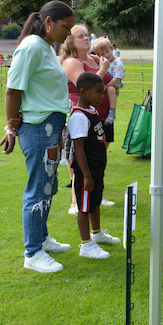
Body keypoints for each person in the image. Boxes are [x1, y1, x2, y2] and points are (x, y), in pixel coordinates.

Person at [0, 1, 75, 273]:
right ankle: (32, 253)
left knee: (48, 186)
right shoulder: (31, 47)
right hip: (39, 128)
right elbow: (12, 90)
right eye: (65, 26)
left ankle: (41, 238)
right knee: (38, 189)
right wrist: (10, 126)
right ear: (48, 23)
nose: (68, 32)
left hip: (50, 127)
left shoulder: (44, 48)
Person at [60, 25, 116, 213]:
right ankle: (76, 202)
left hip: (102, 117)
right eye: (80, 36)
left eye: (86, 35)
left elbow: (108, 82)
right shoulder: (71, 62)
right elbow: (84, 86)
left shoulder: (94, 59)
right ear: (70, 41)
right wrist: (104, 69)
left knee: (98, 158)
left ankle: (96, 194)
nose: (86, 38)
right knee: (78, 159)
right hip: (82, 117)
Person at [67, 72, 120, 258]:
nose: (102, 96)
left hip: (96, 169)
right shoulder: (79, 116)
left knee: (95, 201)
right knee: (84, 206)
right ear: (83, 92)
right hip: (86, 172)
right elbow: (79, 149)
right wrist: (87, 175)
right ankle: (85, 244)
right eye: (98, 92)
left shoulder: (92, 111)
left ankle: (97, 233)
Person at [91, 37, 125, 125]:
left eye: (107, 52)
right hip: (105, 84)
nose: (106, 55)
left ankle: (112, 112)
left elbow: (116, 78)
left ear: (111, 49)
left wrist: (105, 87)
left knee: (110, 89)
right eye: (102, 54)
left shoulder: (117, 63)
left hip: (113, 84)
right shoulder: (102, 60)